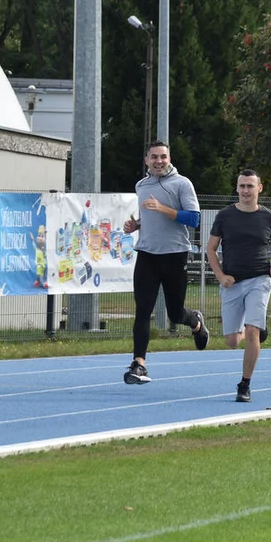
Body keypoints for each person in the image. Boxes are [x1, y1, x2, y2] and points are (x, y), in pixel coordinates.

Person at [122, 140, 209, 384]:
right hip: (147, 255)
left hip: (175, 255)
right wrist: (136, 225)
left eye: (163, 157)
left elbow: (193, 219)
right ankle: (139, 364)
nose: (159, 161)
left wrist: (164, 209)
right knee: (142, 311)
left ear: (169, 159)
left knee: (175, 314)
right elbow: (148, 216)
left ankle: (196, 322)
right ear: (146, 160)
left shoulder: (182, 184)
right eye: (154, 157)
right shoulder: (141, 185)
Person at [206, 169, 271, 403]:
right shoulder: (225, 216)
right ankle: (257, 332)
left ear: (259, 188)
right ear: (237, 188)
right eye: (242, 186)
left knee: (251, 331)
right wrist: (220, 276)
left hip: (259, 279)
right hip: (232, 282)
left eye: (250, 186)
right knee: (231, 341)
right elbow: (210, 249)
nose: (245, 191)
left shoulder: (269, 217)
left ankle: (244, 384)